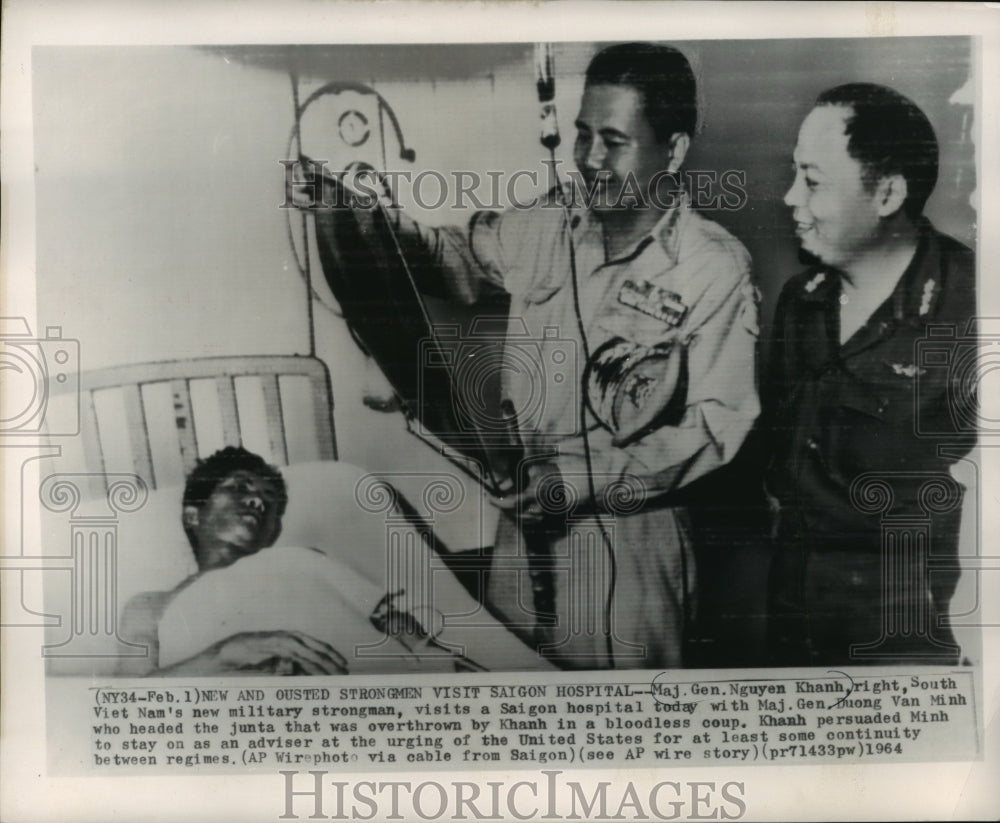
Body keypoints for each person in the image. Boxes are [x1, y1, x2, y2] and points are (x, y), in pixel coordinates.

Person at [335, 43, 761, 669]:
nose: (589, 159)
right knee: (518, 705)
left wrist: (578, 481)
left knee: (624, 746)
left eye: (614, 141)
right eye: (584, 134)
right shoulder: (552, 222)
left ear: (672, 150)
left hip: (627, 544)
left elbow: (718, 425)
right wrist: (384, 230)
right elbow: (461, 258)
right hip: (520, 533)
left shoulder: (712, 266)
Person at [766, 83, 977, 666]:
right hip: (794, 633)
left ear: (886, 194)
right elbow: (780, 473)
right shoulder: (800, 302)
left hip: (911, 652)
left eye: (811, 181)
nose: (789, 198)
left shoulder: (973, 309)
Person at [118, 447, 349, 676]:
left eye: (270, 500)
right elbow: (130, 697)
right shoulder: (151, 606)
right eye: (240, 487)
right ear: (193, 516)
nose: (259, 502)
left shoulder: (298, 568)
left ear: (272, 533)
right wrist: (224, 656)